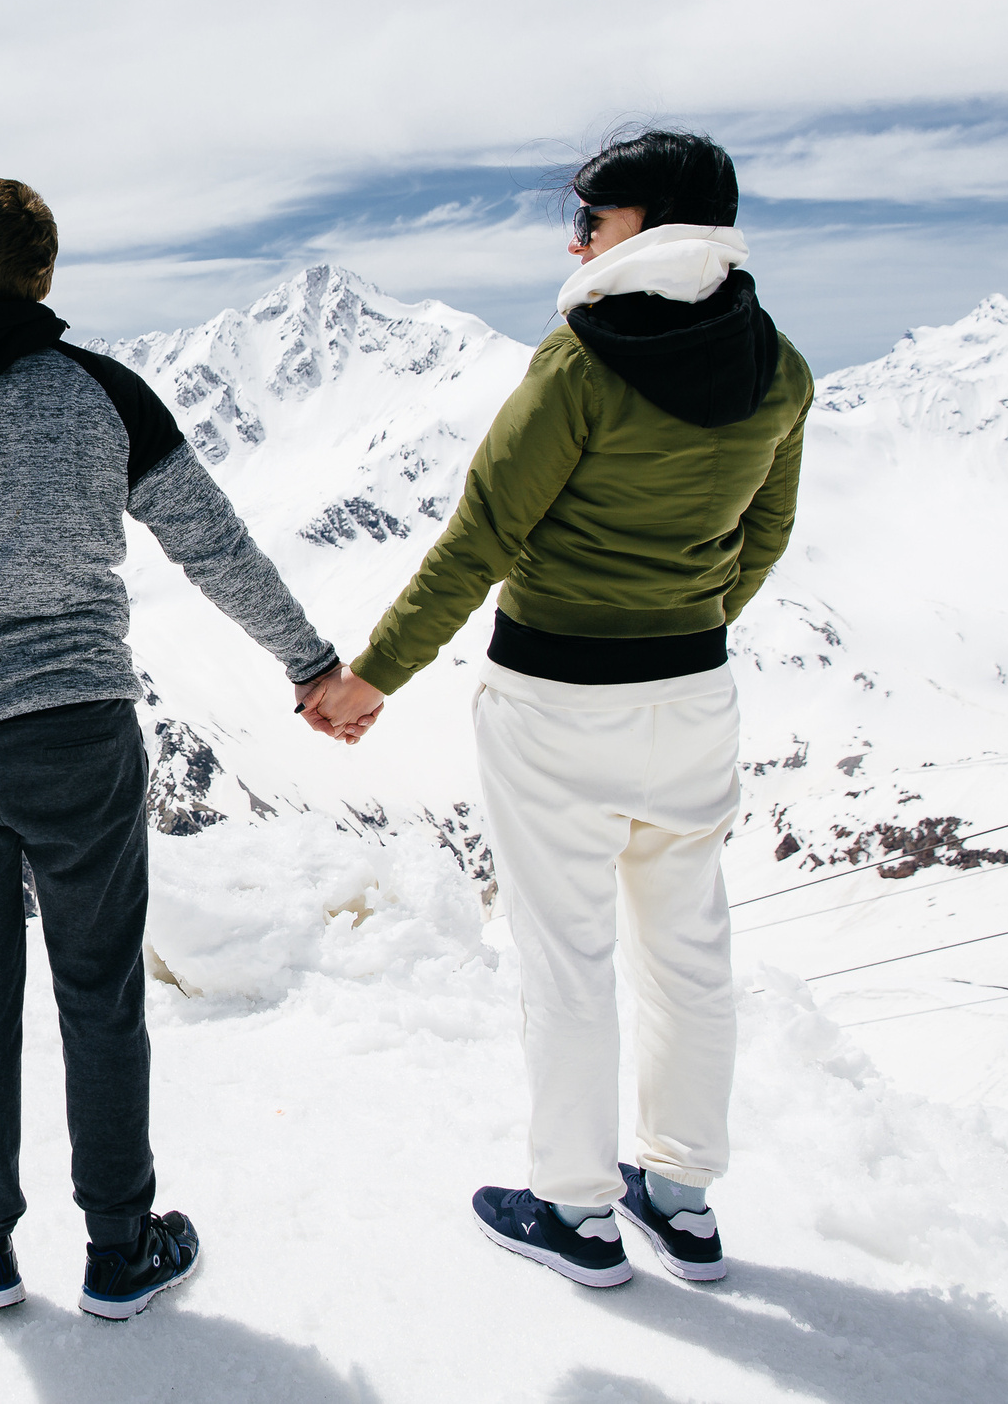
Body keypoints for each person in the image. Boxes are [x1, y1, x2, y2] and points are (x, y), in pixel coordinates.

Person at [0, 177, 380, 1319]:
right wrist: (310, 666)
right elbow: (214, 547)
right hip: (80, 738)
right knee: (100, 995)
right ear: (45, 280)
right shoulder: (101, 393)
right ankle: (120, 1248)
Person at [311, 129, 811, 1288]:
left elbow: (480, 539)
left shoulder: (581, 368)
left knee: (569, 958)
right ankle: (678, 1197)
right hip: (693, 692)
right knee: (687, 947)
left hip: (555, 698)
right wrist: (684, 617)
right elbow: (767, 533)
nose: (573, 236)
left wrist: (369, 678)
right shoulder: (777, 366)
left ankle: (575, 1212)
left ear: (655, 231)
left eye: (592, 217)